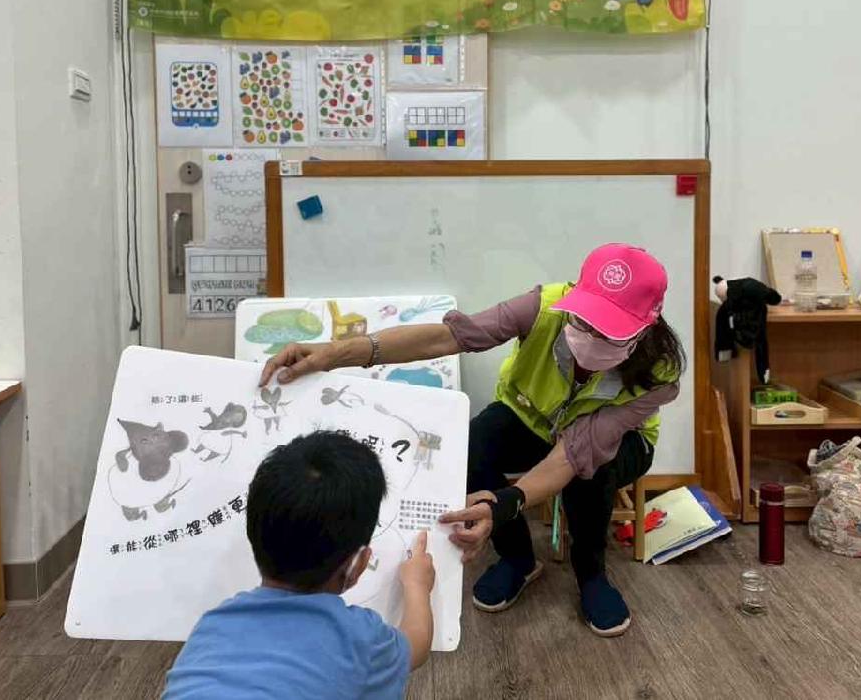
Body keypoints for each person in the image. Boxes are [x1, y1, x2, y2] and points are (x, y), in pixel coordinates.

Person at [261, 243, 684, 638]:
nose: (589, 336)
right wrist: (333, 354)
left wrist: (504, 503)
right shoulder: (544, 308)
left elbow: (573, 454)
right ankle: (518, 558)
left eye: (608, 331)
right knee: (473, 444)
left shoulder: (661, 373)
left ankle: (591, 575)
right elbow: (446, 337)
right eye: (583, 319)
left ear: (645, 328)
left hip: (618, 444)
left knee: (591, 473)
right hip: (533, 417)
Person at [163, 431, 435, 699]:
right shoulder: (360, 638)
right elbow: (416, 645)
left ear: (255, 537)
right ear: (356, 566)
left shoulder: (211, 625)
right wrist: (417, 585)